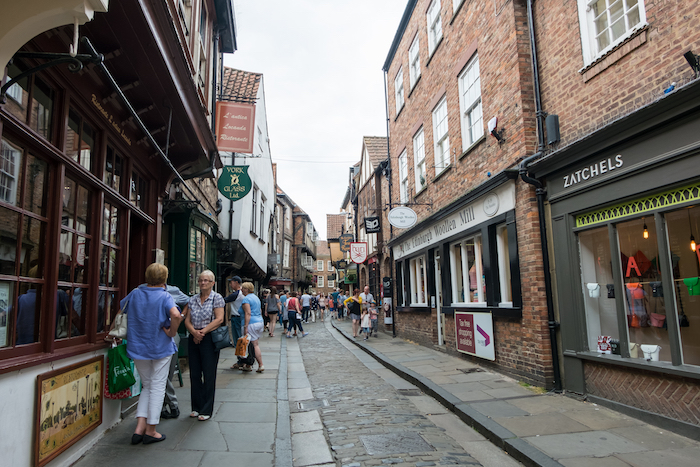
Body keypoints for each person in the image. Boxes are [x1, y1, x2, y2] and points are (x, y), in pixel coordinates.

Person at [124, 263, 182, 444]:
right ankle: (151, 430)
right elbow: (176, 315)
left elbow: (121, 310)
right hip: (160, 347)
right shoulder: (164, 296)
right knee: (157, 386)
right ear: (164, 278)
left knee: (147, 386)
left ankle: (139, 427)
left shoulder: (134, 293)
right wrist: (172, 332)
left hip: (138, 347)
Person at [184, 270, 225, 421]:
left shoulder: (217, 298)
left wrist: (202, 333)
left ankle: (206, 409)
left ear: (212, 283)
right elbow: (187, 320)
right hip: (193, 338)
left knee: (209, 374)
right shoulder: (192, 299)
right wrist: (194, 333)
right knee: (194, 374)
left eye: (206, 280)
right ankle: (196, 406)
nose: (202, 283)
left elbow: (219, 319)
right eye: (200, 280)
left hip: (209, 339)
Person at [161, 284, 190, 419]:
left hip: (170, 336)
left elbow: (189, 302)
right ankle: (170, 405)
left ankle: (166, 405)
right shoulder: (141, 291)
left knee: (167, 374)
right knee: (159, 377)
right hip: (151, 339)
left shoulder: (173, 290)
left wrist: (182, 316)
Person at [241, 282, 265, 371]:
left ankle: (260, 364)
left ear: (246, 289)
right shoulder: (256, 298)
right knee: (251, 344)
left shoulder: (246, 299)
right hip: (259, 321)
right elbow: (260, 310)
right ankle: (248, 365)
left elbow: (248, 313)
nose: (241, 290)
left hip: (251, 323)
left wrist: (245, 326)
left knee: (254, 345)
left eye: (243, 288)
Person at [223, 276, 245, 370]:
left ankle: (241, 361)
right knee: (241, 339)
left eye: (231, 282)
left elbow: (223, 300)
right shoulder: (242, 293)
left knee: (238, 340)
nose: (230, 284)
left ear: (236, 283)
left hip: (236, 318)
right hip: (241, 318)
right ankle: (243, 360)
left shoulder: (235, 294)